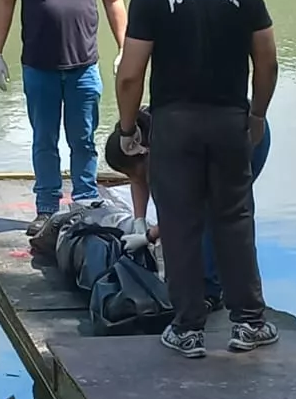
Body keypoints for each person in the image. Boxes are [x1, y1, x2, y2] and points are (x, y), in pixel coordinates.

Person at [113, 0, 279, 358]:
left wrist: (129, 129)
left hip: (175, 123)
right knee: (235, 218)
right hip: (230, 120)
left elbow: (130, 74)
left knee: (181, 222)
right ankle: (250, 323)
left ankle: (187, 330)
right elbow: (268, 60)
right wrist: (257, 113)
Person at [0, 0, 127, 233]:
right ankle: (47, 206)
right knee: (44, 139)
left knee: (83, 136)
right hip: (39, 66)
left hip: (83, 65)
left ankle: (84, 199)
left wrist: (124, 47)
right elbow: (5, 1)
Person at [103, 106, 272, 313]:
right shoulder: (139, 138)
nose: (133, 177)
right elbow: (138, 179)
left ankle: (214, 293)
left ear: (144, 152)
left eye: (131, 170)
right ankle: (206, 283)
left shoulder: (173, 148)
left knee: (216, 212)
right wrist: (139, 220)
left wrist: (149, 235)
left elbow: (188, 208)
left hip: (248, 135)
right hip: (215, 129)